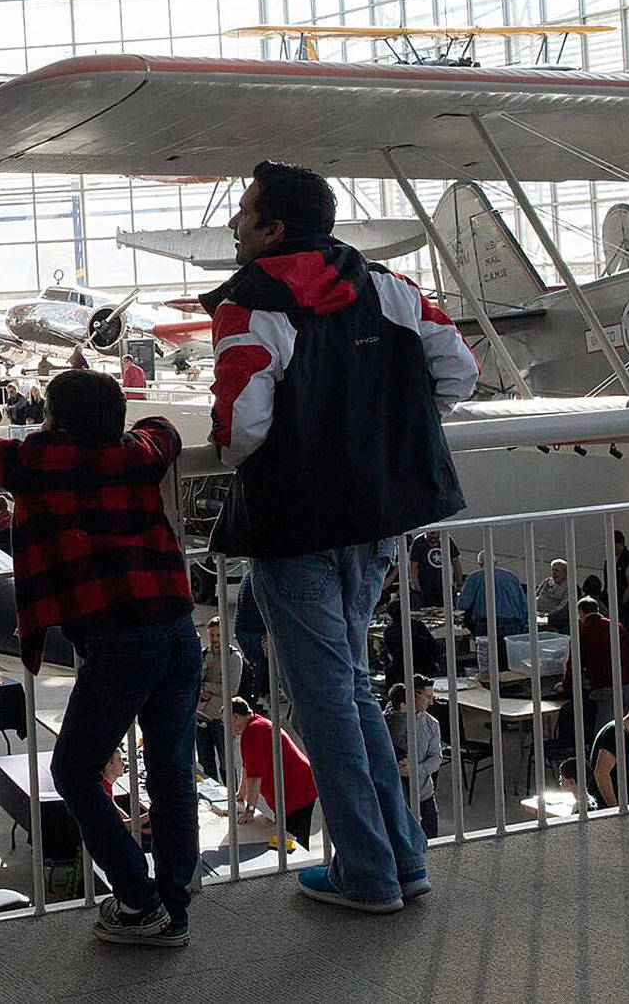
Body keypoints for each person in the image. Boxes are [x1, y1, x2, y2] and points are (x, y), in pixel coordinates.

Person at [202, 160, 478, 911]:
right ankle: (398, 857)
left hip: (295, 526)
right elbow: (459, 372)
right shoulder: (391, 286)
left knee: (324, 698)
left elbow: (242, 429)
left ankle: (367, 870)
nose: (234, 225)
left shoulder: (249, 304)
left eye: (244, 212)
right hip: (377, 516)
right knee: (349, 684)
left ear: (273, 229)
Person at [0, 368, 198, 947]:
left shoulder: (35, 463)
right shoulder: (140, 454)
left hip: (119, 642)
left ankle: (141, 903)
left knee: (72, 770)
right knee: (171, 774)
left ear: (55, 421)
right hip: (177, 628)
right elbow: (164, 428)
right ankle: (174, 896)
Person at [232, 697, 319, 847]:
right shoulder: (255, 724)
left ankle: (301, 869)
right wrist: (241, 794)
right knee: (289, 835)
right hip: (299, 787)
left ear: (235, 717)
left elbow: (254, 777)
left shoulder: (253, 731)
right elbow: (247, 766)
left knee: (292, 841)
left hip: (295, 792)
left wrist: (249, 810)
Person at [553, 597, 629, 738]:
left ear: (580, 613)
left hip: (605, 686)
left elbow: (575, 665)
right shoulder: (616, 626)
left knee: (605, 733)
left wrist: (565, 686)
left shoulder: (582, 632)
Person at [384, 676, 443, 838]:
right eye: (428, 697)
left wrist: (414, 770)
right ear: (413, 696)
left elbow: (436, 758)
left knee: (431, 840)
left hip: (424, 793)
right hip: (396, 796)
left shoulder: (431, 724)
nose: (431, 703)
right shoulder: (387, 721)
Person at [455, 551, 528, 674]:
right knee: (508, 665)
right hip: (512, 624)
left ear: (480, 563)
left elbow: (463, 604)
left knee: (488, 665)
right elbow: (523, 604)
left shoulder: (475, 577)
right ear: (496, 562)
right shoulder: (511, 577)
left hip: (486, 624)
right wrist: (522, 624)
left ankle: (490, 690)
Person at [194, 617, 244, 784]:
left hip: (222, 719)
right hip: (202, 715)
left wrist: (208, 687)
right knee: (205, 761)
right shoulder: (204, 655)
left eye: (218, 635)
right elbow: (194, 682)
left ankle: (233, 797)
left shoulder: (234, 657)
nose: (215, 640)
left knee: (226, 763)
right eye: (212, 635)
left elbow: (231, 689)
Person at [588, 695, 629, 808]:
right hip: (606, 809)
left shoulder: (621, 733)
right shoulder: (615, 733)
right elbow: (601, 774)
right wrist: (614, 809)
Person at [381, 598, 442, 684]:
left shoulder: (389, 631)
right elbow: (432, 645)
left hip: (401, 667)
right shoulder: (418, 626)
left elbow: (391, 652)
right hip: (425, 665)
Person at [234, 573, 267, 703]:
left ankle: (258, 695)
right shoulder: (261, 578)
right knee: (258, 666)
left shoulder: (251, 575)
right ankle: (254, 698)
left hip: (246, 627)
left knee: (256, 664)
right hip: (251, 629)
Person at [407, 531, 461, 608]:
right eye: (430, 536)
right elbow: (413, 568)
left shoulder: (447, 539)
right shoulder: (418, 542)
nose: (433, 540)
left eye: (435, 537)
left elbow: (456, 563)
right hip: (425, 588)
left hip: (445, 586)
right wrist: (418, 590)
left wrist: (459, 583)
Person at [609, 530, 629, 641]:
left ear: (620, 544)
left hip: (626, 606)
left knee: (627, 630)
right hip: (614, 602)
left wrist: (622, 602)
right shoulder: (610, 559)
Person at [535, 559, 572, 633]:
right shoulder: (546, 582)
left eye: (556, 570)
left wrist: (548, 615)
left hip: (553, 621)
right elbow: (536, 595)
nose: (554, 573)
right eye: (552, 570)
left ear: (565, 573)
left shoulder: (569, 586)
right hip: (537, 616)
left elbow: (564, 606)